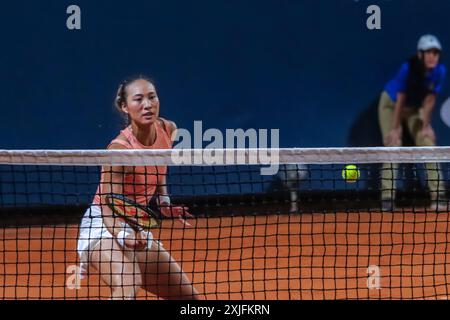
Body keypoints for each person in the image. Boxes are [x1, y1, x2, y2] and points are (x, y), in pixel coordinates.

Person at [77, 76, 199, 299]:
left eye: (152, 97)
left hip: (135, 223)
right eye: (138, 99)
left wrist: (164, 202)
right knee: (128, 281)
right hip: (103, 225)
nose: (147, 104)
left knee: (189, 298)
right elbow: (107, 208)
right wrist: (124, 235)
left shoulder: (168, 128)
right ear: (125, 107)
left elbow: (160, 165)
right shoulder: (118, 150)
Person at [378, 34, 447, 212]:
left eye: (436, 53)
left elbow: (430, 100)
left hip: (415, 108)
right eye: (429, 52)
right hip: (392, 105)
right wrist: (395, 128)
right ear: (420, 54)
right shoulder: (407, 69)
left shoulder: (439, 71)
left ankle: (438, 195)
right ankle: (387, 198)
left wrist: (425, 126)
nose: (433, 56)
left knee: (427, 143)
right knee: (394, 145)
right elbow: (401, 99)